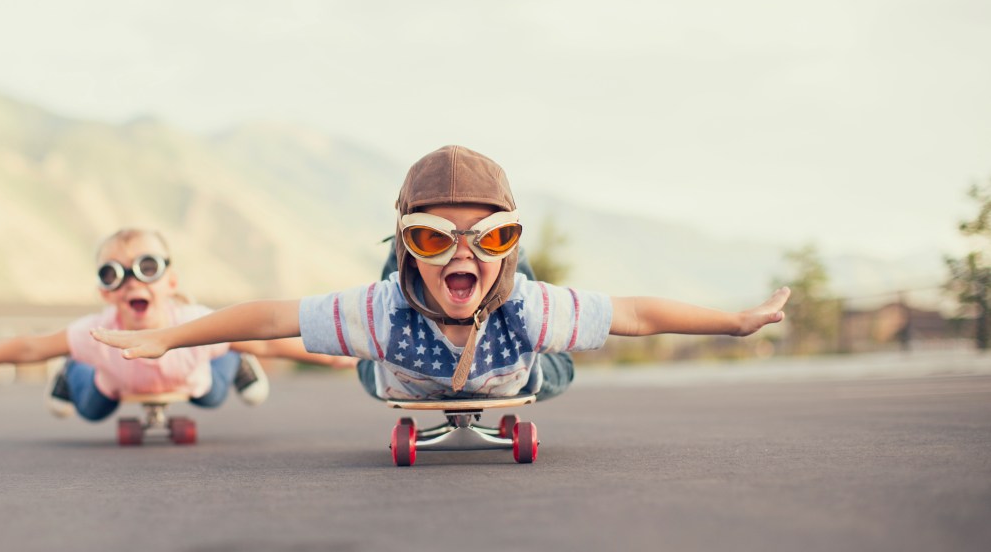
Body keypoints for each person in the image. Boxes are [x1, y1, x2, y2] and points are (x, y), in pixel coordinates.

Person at [91, 146, 790, 404]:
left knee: (551, 358)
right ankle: (415, 261)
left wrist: (733, 321)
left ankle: (493, 262)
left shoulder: (532, 311)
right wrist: (169, 339)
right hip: (399, 366)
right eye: (431, 236)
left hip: (513, 366)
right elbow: (270, 316)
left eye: (490, 237)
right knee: (372, 342)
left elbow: (636, 314)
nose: (462, 253)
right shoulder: (377, 313)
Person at [0, 227, 348, 421]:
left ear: (171, 282)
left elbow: (269, 343)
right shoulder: (98, 333)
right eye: (113, 274)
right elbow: (31, 348)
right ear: (105, 291)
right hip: (115, 384)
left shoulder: (194, 324)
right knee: (89, 408)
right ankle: (71, 374)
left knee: (215, 390)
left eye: (146, 267)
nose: (130, 283)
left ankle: (233, 363)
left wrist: (330, 355)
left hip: (193, 376)